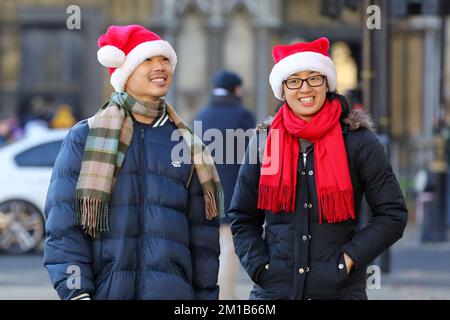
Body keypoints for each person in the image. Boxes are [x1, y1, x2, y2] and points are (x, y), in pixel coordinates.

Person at [44, 24, 222, 300]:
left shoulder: (187, 143)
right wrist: (76, 293)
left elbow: (204, 240)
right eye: (147, 60)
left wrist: (205, 297)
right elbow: (63, 226)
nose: (160, 67)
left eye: (165, 59)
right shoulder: (86, 136)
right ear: (124, 73)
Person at [228, 37, 408, 300]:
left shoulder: (358, 141)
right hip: (274, 292)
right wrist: (259, 266)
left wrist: (348, 259)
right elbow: (242, 216)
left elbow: (392, 214)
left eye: (314, 78)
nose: (305, 89)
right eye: (294, 80)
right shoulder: (266, 142)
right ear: (282, 88)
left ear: (327, 83)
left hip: (339, 291)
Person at [194, 70, 256, 300]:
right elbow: (253, 156)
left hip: (204, 191)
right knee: (228, 247)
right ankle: (225, 297)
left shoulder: (200, 116)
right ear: (237, 89)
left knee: (208, 248)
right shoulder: (243, 115)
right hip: (234, 192)